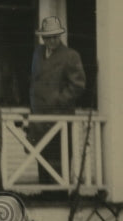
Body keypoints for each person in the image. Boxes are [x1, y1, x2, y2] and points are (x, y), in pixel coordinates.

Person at [28, 16, 87, 184]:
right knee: (41, 156)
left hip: (58, 116)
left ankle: (59, 195)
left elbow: (78, 85)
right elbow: (34, 81)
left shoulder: (70, 56)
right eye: (48, 36)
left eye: (55, 36)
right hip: (38, 116)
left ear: (60, 36)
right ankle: (45, 192)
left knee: (58, 158)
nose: (51, 40)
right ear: (42, 37)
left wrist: (58, 100)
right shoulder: (38, 53)